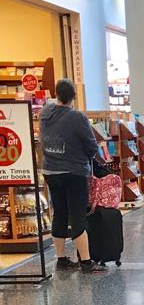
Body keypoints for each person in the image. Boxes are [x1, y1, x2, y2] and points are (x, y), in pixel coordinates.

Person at [39, 78, 105, 273]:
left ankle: (61, 259)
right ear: (74, 96)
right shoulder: (77, 117)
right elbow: (91, 146)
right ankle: (85, 261)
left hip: (50, 171)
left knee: (59, 213)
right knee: (77, 215)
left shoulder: (44, 113)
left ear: (56, 94)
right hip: (74, 172)